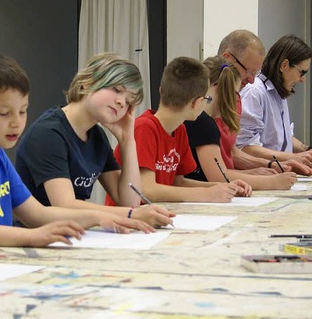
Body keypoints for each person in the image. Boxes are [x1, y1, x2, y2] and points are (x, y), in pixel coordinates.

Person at [0, 54, 155, 252]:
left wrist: (97, 217)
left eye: (23, 111)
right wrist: (32, 236)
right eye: (5, 114)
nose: (16, 123)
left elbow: (37, 213)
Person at [15, 52, 173, 226]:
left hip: (78, 234)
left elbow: (129, 201)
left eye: (129, 102)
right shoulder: (48, 133)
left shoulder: (96, 135)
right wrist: (131, 215)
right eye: (117, 90)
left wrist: (128, 140)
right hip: (38, 239)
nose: (122, 102)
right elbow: (65, 205)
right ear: (87, 83)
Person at [114, 56, 251, 203]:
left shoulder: (179, 131)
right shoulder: (144, 129)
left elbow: (178, 183)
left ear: (161, 90)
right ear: (197, 102)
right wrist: (206, 194)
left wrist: (224, 187)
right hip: (128, 219)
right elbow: (147, 190)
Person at [184, 55, 296, 190]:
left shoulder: (198, 120)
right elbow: (219, 177)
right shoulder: (203, 123)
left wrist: (249, 174)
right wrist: (271, 183)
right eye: (235, 94)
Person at [217, 30, 309, 175]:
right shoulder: (254, 91)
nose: (251, 80)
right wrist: (290, 159)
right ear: (284, 65)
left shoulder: (278, 94)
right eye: (302, 72)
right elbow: (245, 148)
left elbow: (283, 137)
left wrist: (306, 152)